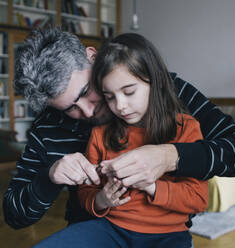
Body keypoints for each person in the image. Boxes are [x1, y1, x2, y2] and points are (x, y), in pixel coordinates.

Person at [3, 27, 235, 230]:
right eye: (69, 108)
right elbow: (14, 216)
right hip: (92, 232)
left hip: (163, 234)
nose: (88, 111)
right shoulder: (46, 129)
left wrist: (171, 157)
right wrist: (49, 177)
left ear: (93, 57)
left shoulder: (164, 90)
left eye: (87, 91)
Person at [34, 32, 208, 248]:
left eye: (129, 92)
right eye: (109, 97)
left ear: (154, 81)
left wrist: (151, 186)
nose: (120, 106)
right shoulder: (100, 134)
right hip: (110, 229)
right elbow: (86, 193)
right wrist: (101, 200)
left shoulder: (185, 128)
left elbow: (199, 199)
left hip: (169, 236)